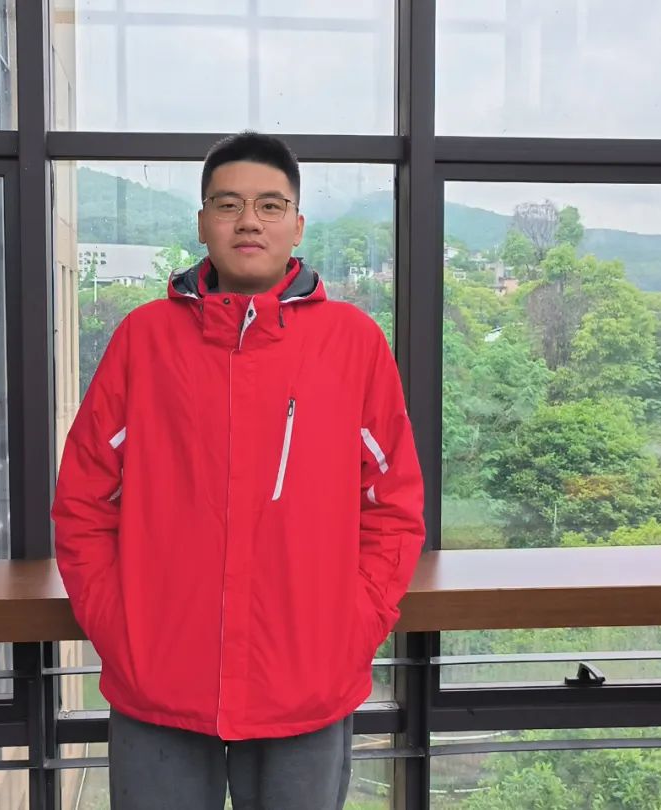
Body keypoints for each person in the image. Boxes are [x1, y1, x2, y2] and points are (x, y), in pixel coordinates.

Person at [52, 131, 425, 809]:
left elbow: (393, 506)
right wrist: (118, 626)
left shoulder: (352, 344)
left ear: (297, 225)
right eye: (228, 205)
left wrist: (351, 629)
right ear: (202, 222)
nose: (249, 221)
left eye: (270, 205)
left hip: (306, 682)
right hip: (158, 681)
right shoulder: (145, 340)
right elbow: (83, 498)